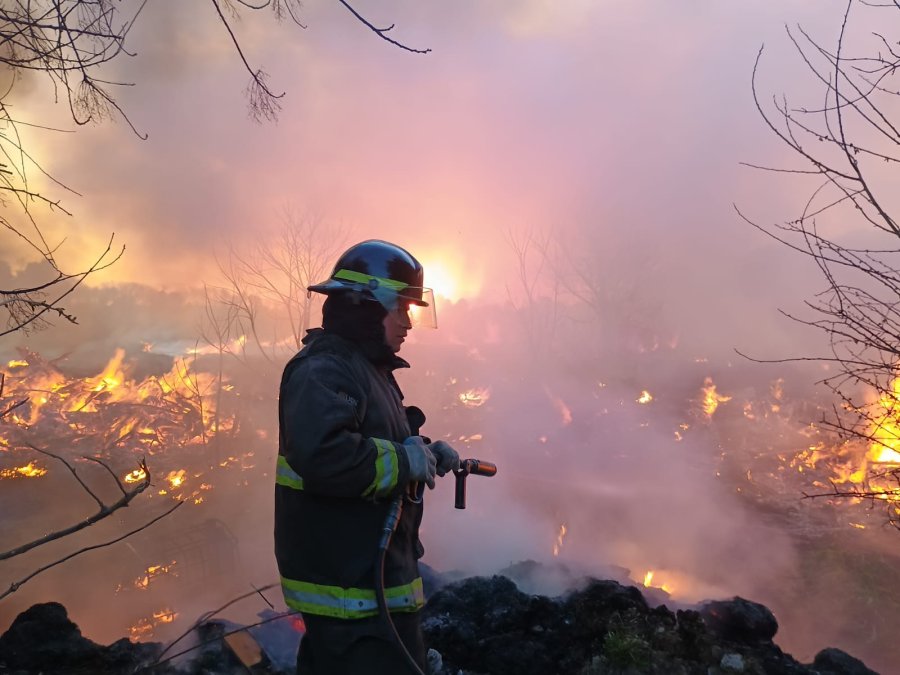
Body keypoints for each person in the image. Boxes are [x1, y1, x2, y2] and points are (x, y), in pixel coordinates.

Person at [274, 239, 460, 674]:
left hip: (372, 595)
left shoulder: (367, 368)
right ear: (366, 303)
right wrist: (405, 461)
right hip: (350, 602)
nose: (409, 323)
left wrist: (425, 452)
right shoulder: (324, 370)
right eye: (402, 308)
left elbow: (375, 443)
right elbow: (324, 456)